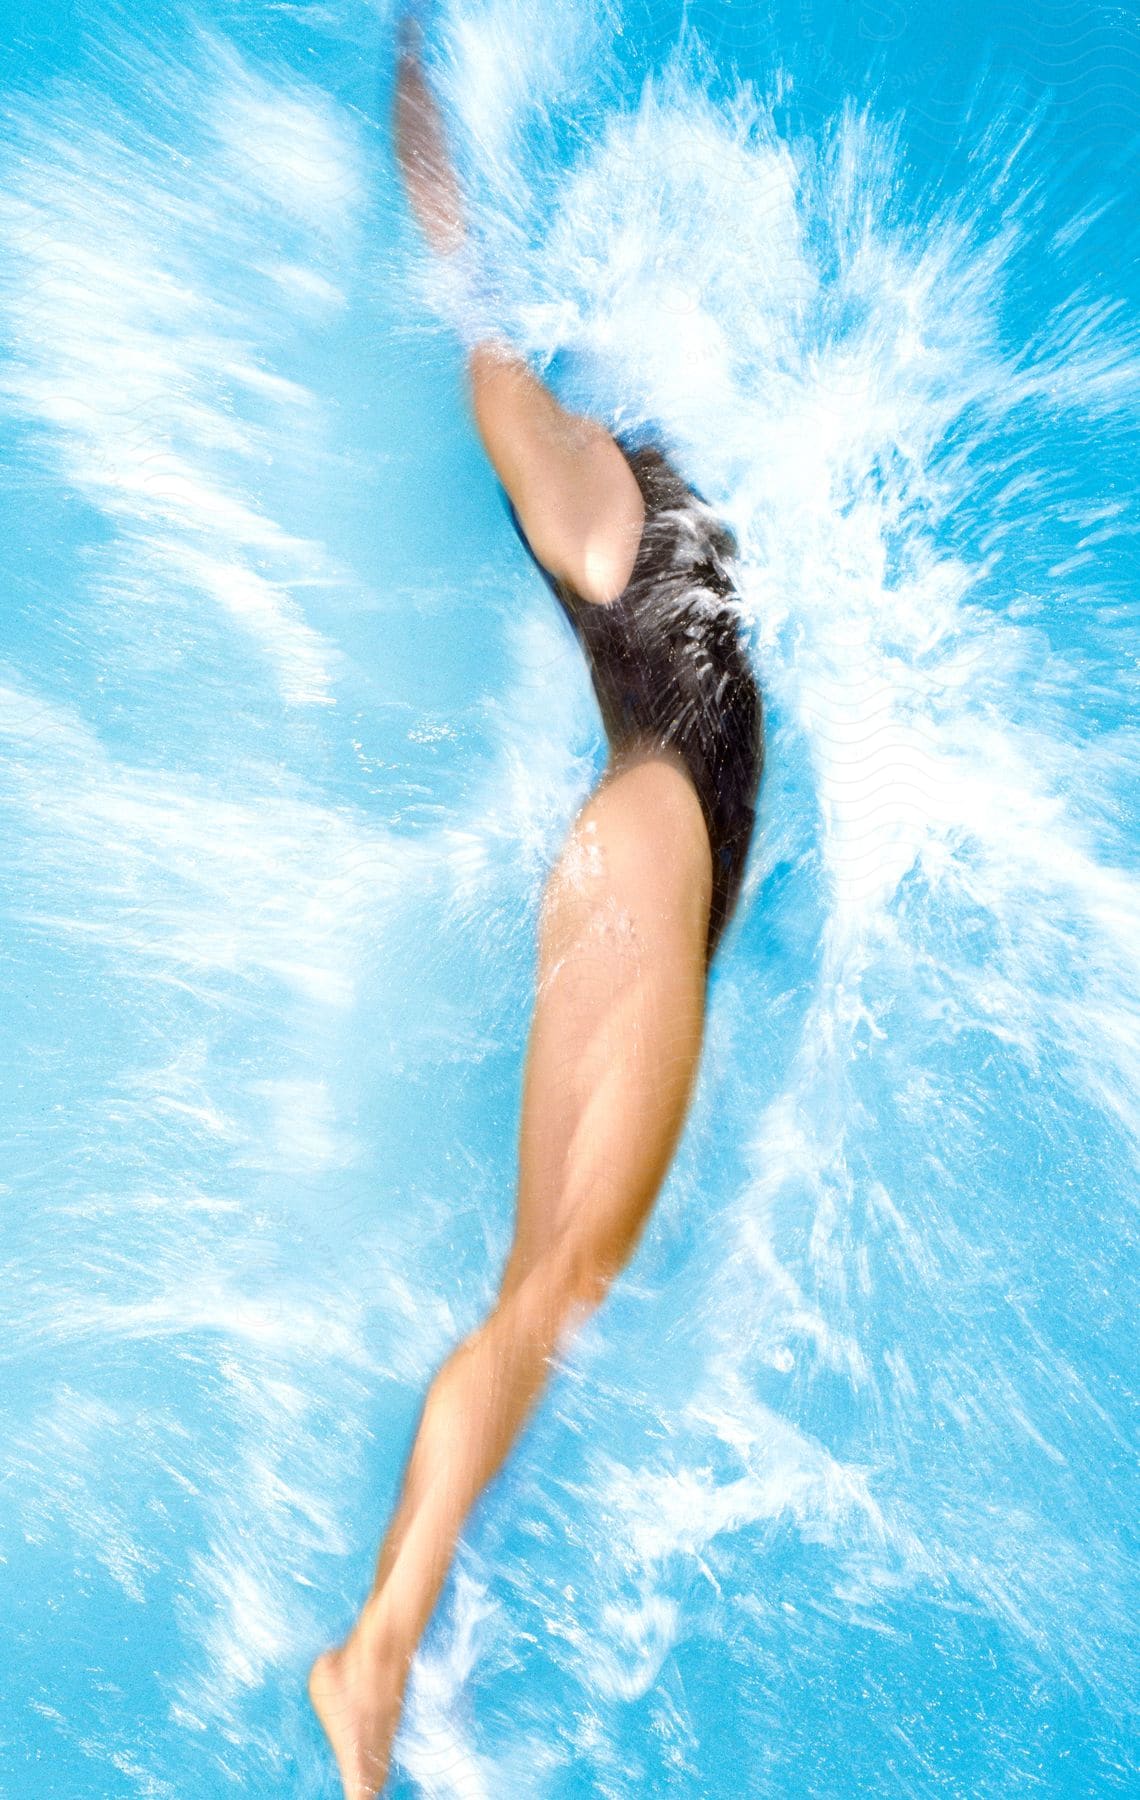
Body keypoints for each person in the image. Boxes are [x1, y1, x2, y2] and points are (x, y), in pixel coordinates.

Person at [309, 22, 764, 1797]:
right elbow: (475, 317)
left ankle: (393, 1645)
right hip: (649, 846)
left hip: (624, 849)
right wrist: (426, 113)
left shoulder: (631, 493)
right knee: (562, 1291)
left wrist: (428, 101)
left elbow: (478, 298)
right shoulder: (599, 501)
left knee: (530, 1285)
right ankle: (374, 1657)